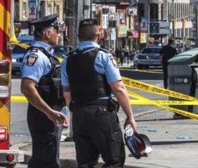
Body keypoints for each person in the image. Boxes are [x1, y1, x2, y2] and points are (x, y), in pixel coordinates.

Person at [61, 19, 138, 167]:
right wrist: (130, 117)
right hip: (101, 114)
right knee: (114, 159)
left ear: (78, 37)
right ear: (99, 36)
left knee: (85, 163)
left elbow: (67, 92)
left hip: (79, 115)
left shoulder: (68, 60)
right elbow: (119, 89)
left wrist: (74, 113)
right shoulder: (103, 56)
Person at [20, 14, 68, 167]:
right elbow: (27, 87)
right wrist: (49, 112)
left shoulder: (46, 54)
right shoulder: (36, 56)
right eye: (57, 31)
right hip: (43, 116)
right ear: (48, 33)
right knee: (46, 161)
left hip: (49, 115)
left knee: (48, 159)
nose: (59, 35)